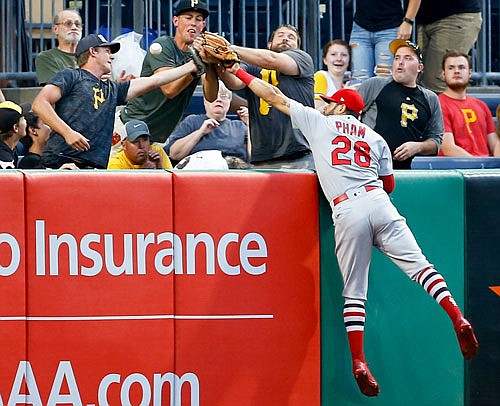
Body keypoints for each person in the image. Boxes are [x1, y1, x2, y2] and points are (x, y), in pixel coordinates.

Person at [225, 63, 479, 397]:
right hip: (378, 200)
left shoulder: (322, 123)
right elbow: (388, 184)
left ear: (342, 107)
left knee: (355, 292)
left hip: (346, 207)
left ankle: (359, 360)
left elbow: (273, 96)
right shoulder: (376, 138)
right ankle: (457, 316)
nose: (327, 104)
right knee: (422, 268)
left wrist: (240, 73)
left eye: (331, 101)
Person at [32, 33, 202, 169]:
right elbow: (39, 104)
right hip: (62, 162)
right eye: (107, 51)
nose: (112, 57)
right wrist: (67, 132)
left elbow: (155, 80)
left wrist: (191, 66)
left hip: (96, 167)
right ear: (93, 52)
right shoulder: (71, 75)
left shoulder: (113, 89)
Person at [216, 24, 315, 169]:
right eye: (280, 35)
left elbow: (272, 59)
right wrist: (217, 62)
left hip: (299, 152)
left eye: (291, 37)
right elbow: (233, 82)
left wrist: (229, 48)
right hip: (263, 155)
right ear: (269, 44)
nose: (285, 39)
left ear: (298, 47)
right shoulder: (251, 65)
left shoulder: (302, 59)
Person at [120, 0, 218, 144]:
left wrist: (208, 65)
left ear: (203, 26)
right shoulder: (163, 45)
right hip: (128, 129)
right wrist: (194, 66)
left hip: (157, 138)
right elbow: (169, 90)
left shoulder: (201, 53)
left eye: (198, 20)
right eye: (188, 17)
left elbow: (210, 96)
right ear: (176, 21)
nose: (193, 23)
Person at [358, 39, 443, 169]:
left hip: (407, 172)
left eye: (408, 58)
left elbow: (436, 141)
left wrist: (417, 147)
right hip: (370, 167)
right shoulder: (375, 85)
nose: (400, 62)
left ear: (420, 68)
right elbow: (348, 115)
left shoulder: (430, 99)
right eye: (397, 58)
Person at [165, 82, 250, 166]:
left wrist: (249, 124)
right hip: (200, 172)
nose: (219, 99)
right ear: (205, 101)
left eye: (224, 96)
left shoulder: (240, 126)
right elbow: (174, 154)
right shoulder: (191, 122)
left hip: (234, 172)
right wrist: (200, 132)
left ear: (229, 101)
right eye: (214, 96)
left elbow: (253, 157)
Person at [438, 50, 498, 157]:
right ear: (443, 74)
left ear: (470, 73)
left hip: (485, 169)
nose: (456, 71)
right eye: (451, 68)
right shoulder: (438, 105)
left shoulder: (481, 106)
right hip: (456, 169)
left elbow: (495, 144)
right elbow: (448, 148)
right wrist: (478, 167)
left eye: (461, 67)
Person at [416, 0, 482, 93]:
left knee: (439, 81)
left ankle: (442, 107)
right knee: (419, 79)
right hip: (423, 19)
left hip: (455, 16)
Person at [349, 0, 421, 81]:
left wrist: (408, 21)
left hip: (389, 28)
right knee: (358, 81)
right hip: (360, 27)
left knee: (385, 81)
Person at [35, 9, 82, 86]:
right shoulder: (46, 58)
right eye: (68, 23)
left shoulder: (90, 55)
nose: (74, 27)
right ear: (56, 29)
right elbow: (58, 88)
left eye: (77, 24)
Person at [314, 39, 351, 110]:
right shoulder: (321, 76)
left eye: (344, 55)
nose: (339, 59)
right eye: (333, 54)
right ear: (325, 59)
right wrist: (343, 96)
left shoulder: (348, 85)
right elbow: (317, 109)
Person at [0, 101, 29, 169]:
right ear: (15, 128)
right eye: (23, 118)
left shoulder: (11, 149)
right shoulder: (4, 159)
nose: (26, 121)